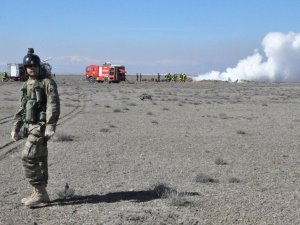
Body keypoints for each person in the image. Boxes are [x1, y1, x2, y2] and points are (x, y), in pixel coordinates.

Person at [11, 48, 60, 206]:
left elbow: (53, 104)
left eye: (34, 66)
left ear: (39, 67)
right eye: (29, 66)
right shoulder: (26, 85)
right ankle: (40, 192)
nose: (32, 68)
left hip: (40, 126)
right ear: (25, 69)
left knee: (27, 156)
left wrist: (51, 124)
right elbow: (21, 108)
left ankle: (39, 192)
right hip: (29, 126)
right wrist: (15, 127)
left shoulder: (46, 83)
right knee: (39, 159)